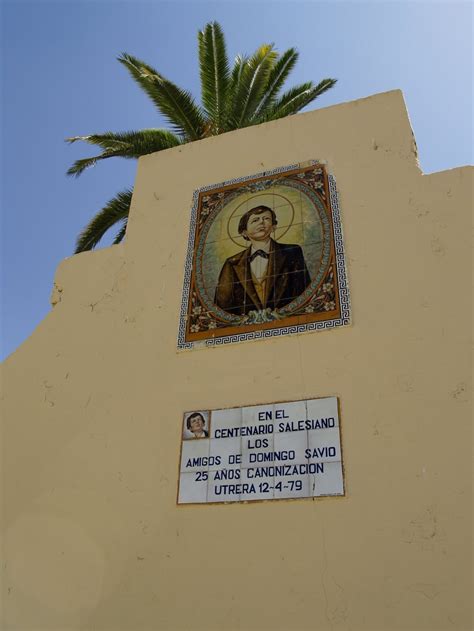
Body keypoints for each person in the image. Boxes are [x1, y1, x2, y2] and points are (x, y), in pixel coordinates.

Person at [214, 205, 311, 315]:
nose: (261, 222)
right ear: (244, 232)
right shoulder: (232, 263)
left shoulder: (292, 252)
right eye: (255, 220)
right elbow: (223, 305)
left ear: (273, 227)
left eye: (266, 219)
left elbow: (303, 292)